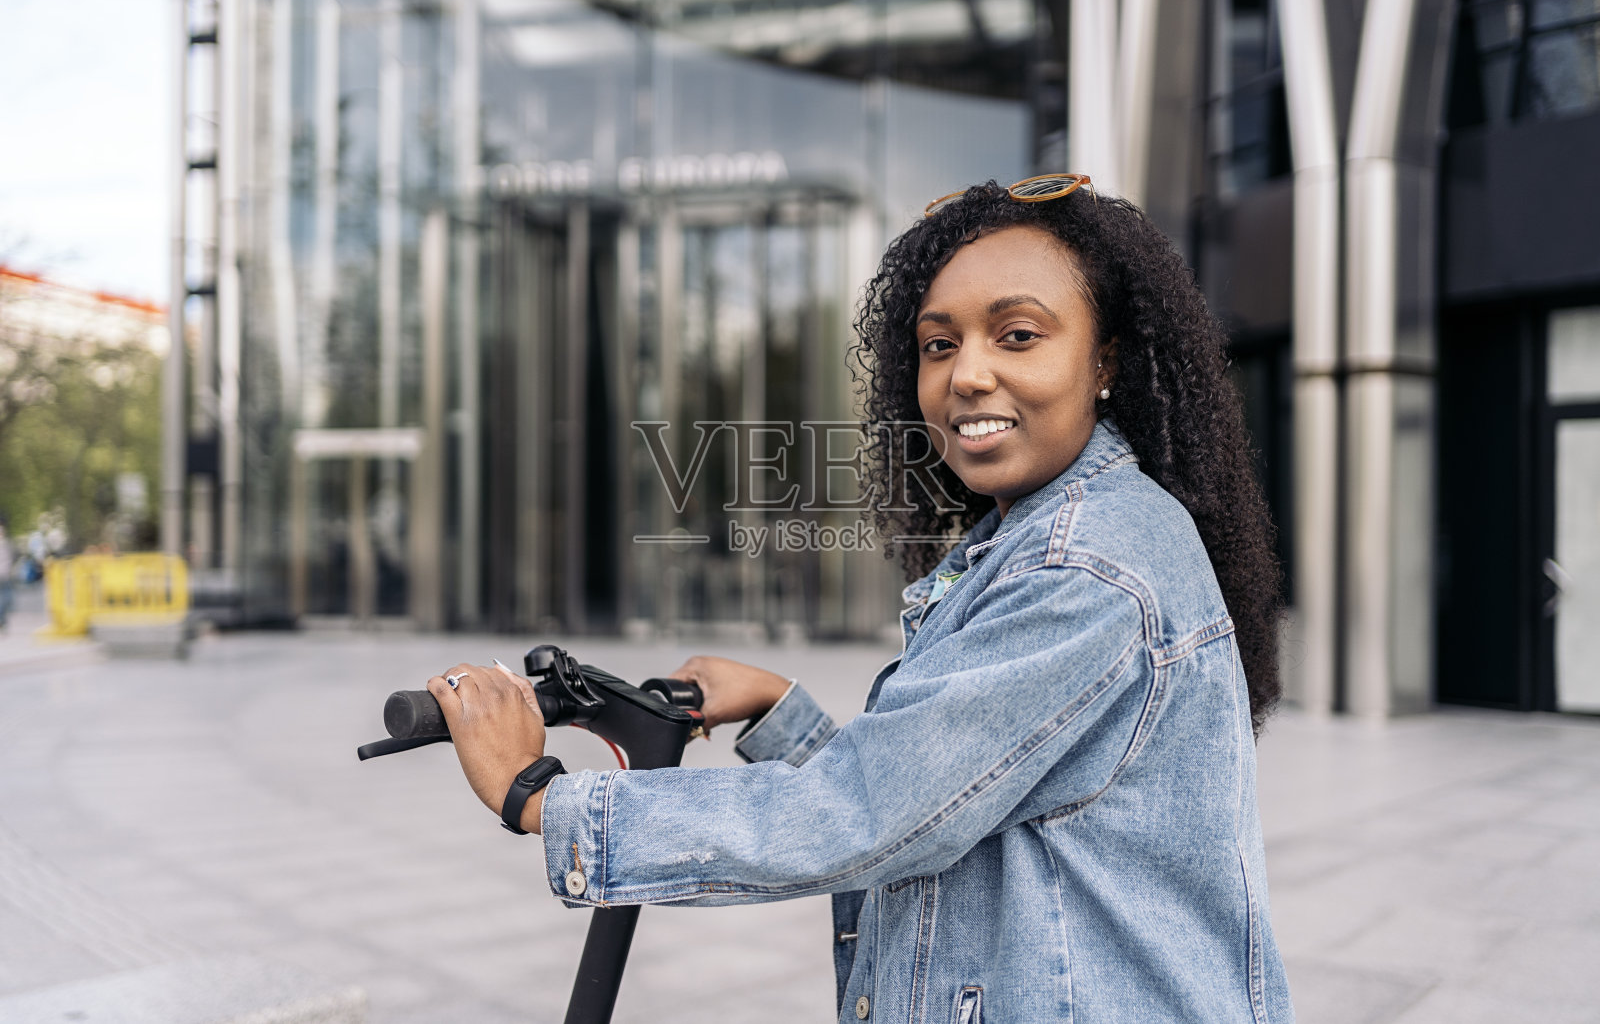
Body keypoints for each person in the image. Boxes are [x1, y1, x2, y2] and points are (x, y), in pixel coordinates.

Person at [427, 176, 1294, 1022]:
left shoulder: (1085, 566)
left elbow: (869, 815)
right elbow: (955, 785)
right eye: (940, 344)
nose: (967, 375)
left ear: (1105, 359)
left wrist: (541, 796)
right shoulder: (1047, 530)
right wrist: (781, 713)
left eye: (1018, 335)